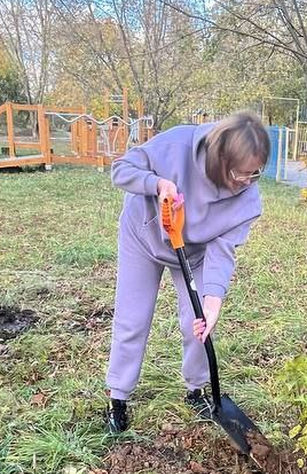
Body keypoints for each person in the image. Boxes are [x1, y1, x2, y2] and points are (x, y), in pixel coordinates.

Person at [105, 113, 270, 433]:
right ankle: (118, 397)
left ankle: (196, 391)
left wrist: (212, 302)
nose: (246, 181)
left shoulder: (248, 199)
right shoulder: (178, 145)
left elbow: (223, 251)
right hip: (144, 234)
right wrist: (157, 184)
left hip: (194, 252)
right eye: (240, 173)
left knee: (198, 324)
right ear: (220, 157)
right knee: (132, 319)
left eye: (255, 173)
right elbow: (121, 169)